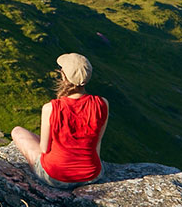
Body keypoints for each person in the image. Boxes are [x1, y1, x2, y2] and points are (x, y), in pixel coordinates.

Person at [11, 52, 109, 189]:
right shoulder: (102, 103)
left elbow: (44, 149)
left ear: (64, 77)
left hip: (55, 177)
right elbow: (96, 144)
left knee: (17, 131)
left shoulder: (51, 108)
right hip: (92, 176)